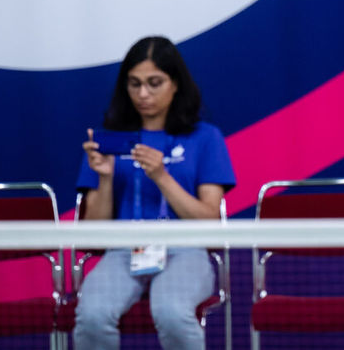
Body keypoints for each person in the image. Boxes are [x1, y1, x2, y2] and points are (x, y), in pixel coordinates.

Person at [72, 36, 235, 350]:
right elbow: (92, 237)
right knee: (92, 315)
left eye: (154, 83)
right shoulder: (108, 140)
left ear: (176, 84)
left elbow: (210, 222)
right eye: (134, 84)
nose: (143, 94)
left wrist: (161, 176)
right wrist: (105, 178)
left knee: (172, 312)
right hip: (122, 253)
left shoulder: (205, 138)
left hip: (187, 252)